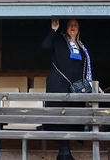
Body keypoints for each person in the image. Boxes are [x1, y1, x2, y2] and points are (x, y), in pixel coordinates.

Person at [42, 19, 90, 160]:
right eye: (70, 25)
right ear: (66, 28)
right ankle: (64, 151)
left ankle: (65, 151)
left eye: (75, 25)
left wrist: (93, 84)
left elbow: (86, 69)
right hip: (58, 85)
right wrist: (53, 30)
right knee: (60, 117)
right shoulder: (59, 40)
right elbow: (45, 46)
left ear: (79, 28)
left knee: (71, 118)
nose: (73, 27)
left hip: (75, 88)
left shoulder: (82, 47)